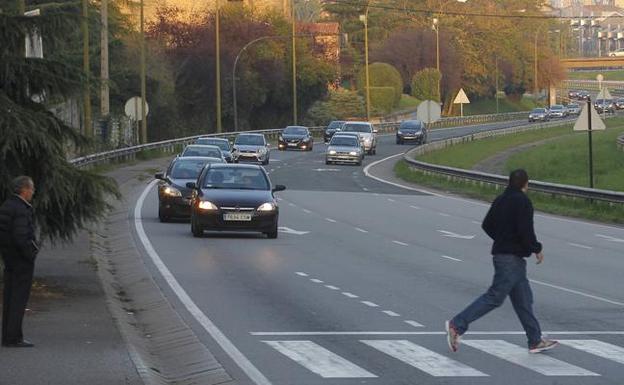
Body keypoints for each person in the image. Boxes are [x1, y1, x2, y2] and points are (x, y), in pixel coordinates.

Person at [445, 169, 558, 354]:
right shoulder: (523, 201)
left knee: (523, 300)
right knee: (495, 297)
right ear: (525, 184)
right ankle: (457, 325)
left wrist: (501, 238)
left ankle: (535, 340)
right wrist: (536, 248)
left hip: (505, 256)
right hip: (511, 259)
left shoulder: (500, 199)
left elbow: (486, 224)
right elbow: (525, 230)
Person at [0, 176, 39, 348]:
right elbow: (21, 236)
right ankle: (14, 337)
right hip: (21, 260)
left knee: (9, 297)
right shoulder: (21, 209)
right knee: (18, 298)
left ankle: (7, 334)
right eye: (31, 189)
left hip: (9, 258)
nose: (33, 192)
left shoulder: (7, 205)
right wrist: (32, 252)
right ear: (24, 189)